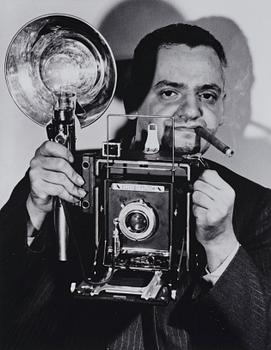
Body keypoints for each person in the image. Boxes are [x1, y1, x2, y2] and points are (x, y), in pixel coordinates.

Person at [1, 23, 271, 350]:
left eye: (207, 95)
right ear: (133, 99)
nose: (192, 111)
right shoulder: (67, 178)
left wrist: (222, 244)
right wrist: (33, 212)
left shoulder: (256, 206)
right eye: (170, 92)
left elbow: (262, 337)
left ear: (223, 108)